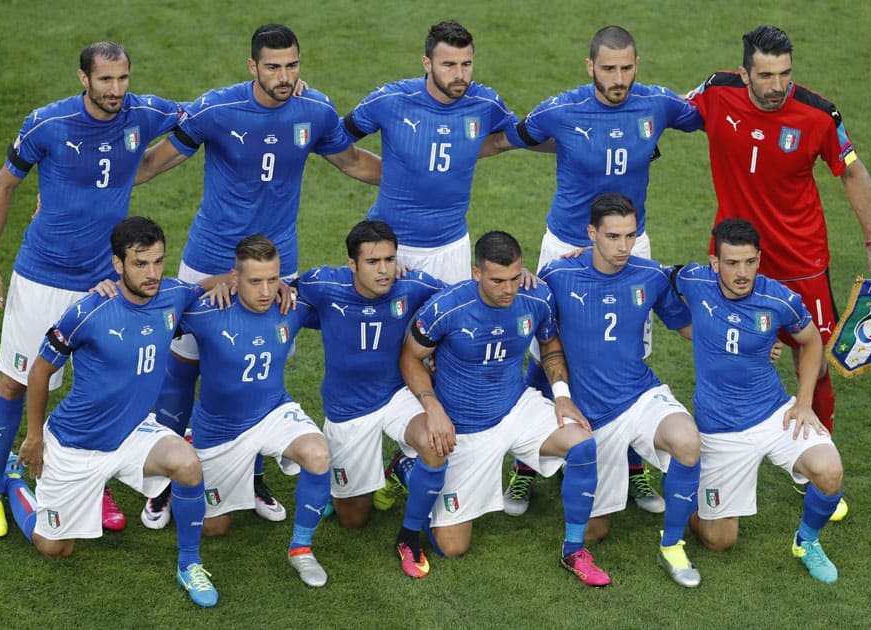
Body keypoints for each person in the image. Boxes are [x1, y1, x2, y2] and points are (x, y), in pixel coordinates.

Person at [133, 23, 381, 524]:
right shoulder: (217, 110)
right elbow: (152, 165)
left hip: (276, 268)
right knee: (183, 366)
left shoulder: (315, 111)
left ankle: (253, 474)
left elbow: (353, 162)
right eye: (273, 67)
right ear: (252, 66)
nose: (284, 75)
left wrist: (422, 177)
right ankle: (162, 482)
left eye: (292, 65)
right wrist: (67, 191)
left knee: (262, 367)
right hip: (209, 261)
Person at [480, 25, 702, 516]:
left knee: (630, 350)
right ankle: (525, 466)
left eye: (626, 68)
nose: (618, 78)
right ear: (590, 67)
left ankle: (632, 464)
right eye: (608, 69)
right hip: (566, 246)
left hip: (630, 245)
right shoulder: (561, 110)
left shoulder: (658, 105)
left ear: (637, 63)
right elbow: (510, 137)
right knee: (544, 347)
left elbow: (712, 113)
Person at [688, 25, 871, 520]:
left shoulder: (817, 114)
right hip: (735, 256)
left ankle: (811, 464)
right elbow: (673, 110)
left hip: (801, 262)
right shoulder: (718, 91)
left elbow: (851, 171)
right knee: (727, 349)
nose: (777, 85)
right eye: (765, 75)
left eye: (785, 73)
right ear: (745, 74)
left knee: (817, 360)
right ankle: (723, 445)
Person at [0, 42, 184, 538]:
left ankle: (97, 479)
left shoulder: (145, 112)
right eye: (105, 80)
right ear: (83, 79)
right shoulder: (48, 123)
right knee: (17, 381)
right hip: (42, 276)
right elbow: (4, 186)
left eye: (123, 78)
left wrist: (142, 168)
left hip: (104, 285)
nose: (116, 90)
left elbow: (201, 121)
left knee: (102, 386)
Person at [5, 217, 219, 606]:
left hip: (133, 434)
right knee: (53, 548)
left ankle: (189, 564)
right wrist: (34, 437)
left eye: (158, 262)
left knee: (188, 465)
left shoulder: (172, 295)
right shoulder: (88, 311)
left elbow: (201, 286)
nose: (152, 273)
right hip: (76, 445)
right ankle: (13, 481)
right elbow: (39, 371)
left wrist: (237, 279)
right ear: (117, 265)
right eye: (140, 263)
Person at [399, 231, 608, 587]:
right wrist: (433, 408)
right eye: (498, 280)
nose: (509, 289)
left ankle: (573, 550)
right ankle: (406, 469)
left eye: (514, 277)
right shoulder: (447, 307)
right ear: (476, 273)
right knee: (453, 547)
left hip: (515, 408)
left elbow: (550, 341)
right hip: (465, 427)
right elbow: (410, 356)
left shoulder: (535, 296)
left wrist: (561, 394)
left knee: (583, 443)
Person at [539, 193, 702, 587]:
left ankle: (672, 545)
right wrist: (559, 394)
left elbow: (689, 328)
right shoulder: (556, 277)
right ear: (591, 233)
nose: (623, 247)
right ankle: (574, 539)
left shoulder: (650, 276)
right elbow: (541, 339)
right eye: (612, 236)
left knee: (687, 441)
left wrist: (750, 341)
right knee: (596, 530)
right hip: (591, 414)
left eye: (630, 236)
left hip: (640, 396)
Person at [675, 218, 845, 584]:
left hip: (773, 414)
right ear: (713, 261)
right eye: (732, 263)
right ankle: (691, 499)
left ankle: (807, 541)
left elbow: (812, 341)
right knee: (720, 541)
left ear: (759, 259)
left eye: (750, 262)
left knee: (829, 472)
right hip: (719, 430)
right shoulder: (693, 280)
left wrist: (803, 403)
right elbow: (647, 277)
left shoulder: (778, 299)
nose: (742, 272)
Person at [175, 235, 333, 587]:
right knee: (215, 528)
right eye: (255, 281)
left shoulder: (290, 306)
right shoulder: (206, 310)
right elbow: (159, 303)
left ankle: (301, 550)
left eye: (272, 279)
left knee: (319, 454)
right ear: (235, 278)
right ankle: (189, 452)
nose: (265, 291)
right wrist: (211, 285)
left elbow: (344, 299)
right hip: (219, 430)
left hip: (272, 411)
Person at [295, 220, 447, 579]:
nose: (384, 270)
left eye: (390, 260)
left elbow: (459, 302)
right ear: (352, 264)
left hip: (396, 395)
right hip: (348, 411)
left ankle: (409, 537)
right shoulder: (323, 284)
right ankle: (364, 481)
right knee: (353, 520)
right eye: (373, 262)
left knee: (435, 443)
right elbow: (278, 290)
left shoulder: (413, 285)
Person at [342, 20, 518, 284]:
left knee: (448, 325)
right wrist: (296, 103)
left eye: (466, 64)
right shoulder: (390, 101)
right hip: (390, 248)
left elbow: (515, 136)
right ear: (427, 63)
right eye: (449, 65)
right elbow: (334, 139)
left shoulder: (485, 103)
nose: (459, 74)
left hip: (451, 248)